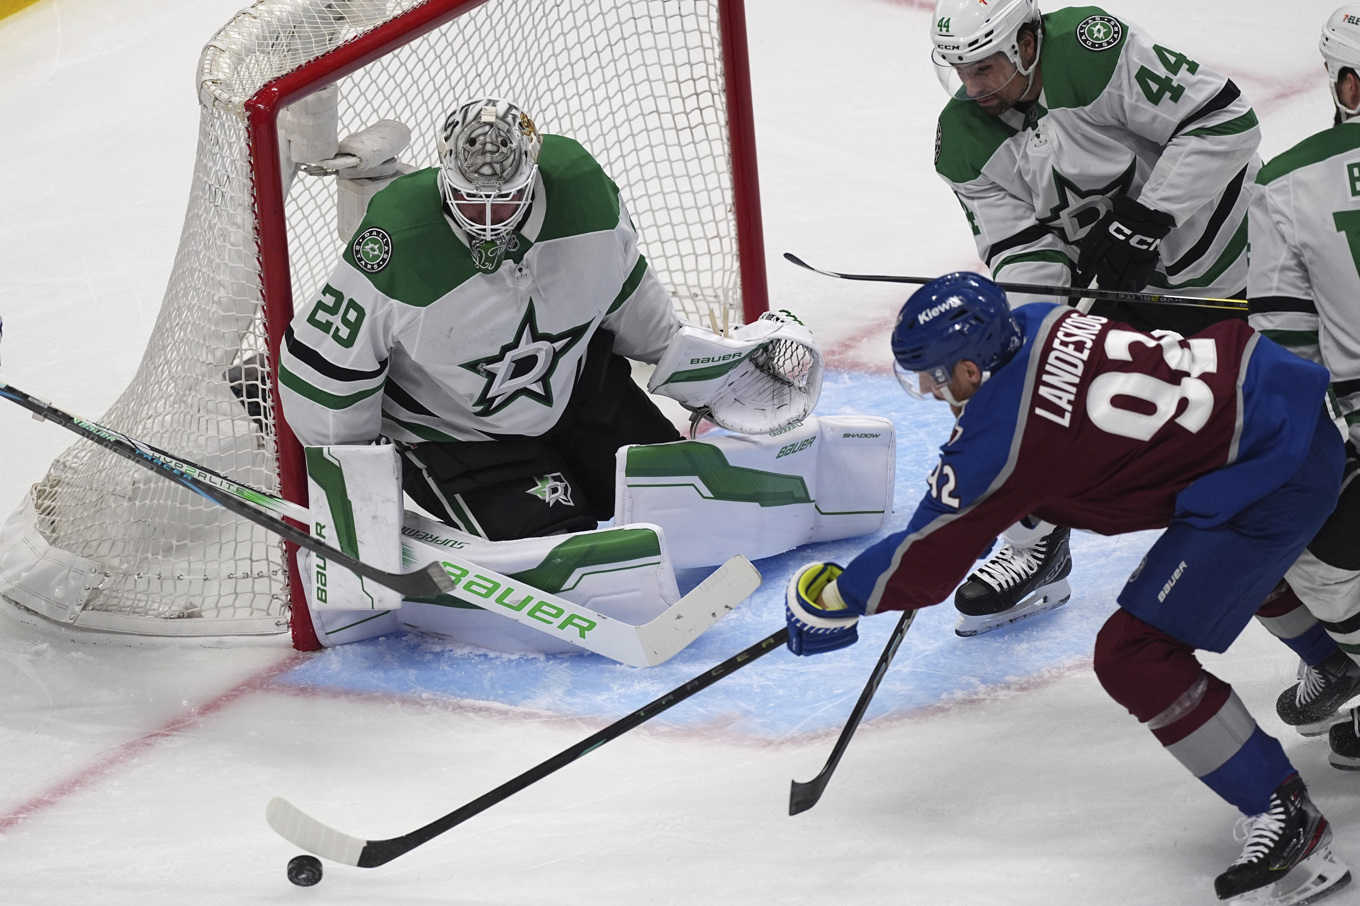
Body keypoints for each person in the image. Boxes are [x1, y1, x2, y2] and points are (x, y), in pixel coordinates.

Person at [783, 273, 1349, 904]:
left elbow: (923, 563)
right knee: (1213, 563)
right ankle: (1334, 665)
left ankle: (1287, 816)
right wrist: (987, 498)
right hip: (1278, 396)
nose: (930, 391)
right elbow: (1063, 444)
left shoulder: (999, 440)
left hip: (1272, 476)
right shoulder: (1038, 320)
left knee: (1133, 654)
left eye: (935, 378)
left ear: (970, 368)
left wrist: (835, 597)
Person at [928, 0, 1261, 637]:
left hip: (1232, 265)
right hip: (1117, 282)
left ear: (1027, 43)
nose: (973, 87)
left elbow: (1226, 120)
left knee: (1273, 430)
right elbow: (1021, 250)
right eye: (961, 72)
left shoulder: (1091, 50)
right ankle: (1036, 541)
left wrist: (1149, 217)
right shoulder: (963, 141)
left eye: (985, 67)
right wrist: (1033, 342)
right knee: (1034, 385)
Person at [278, 96, 688, 540]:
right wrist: (354, 479)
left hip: (577, 391)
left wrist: (690, 369)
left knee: (678, 501)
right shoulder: (399, 240)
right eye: (470, 200)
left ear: (532, 176)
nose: (488, 217)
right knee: (562, 544)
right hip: (457, 434)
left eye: (506, 199)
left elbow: (624, 285)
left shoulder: (579, 189)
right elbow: (325, 367)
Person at [1246, 6, 1360, 769]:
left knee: (1264, 523)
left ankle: (1344, 662)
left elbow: (1287, 358)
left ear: (1345, 84)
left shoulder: (1288, 183)